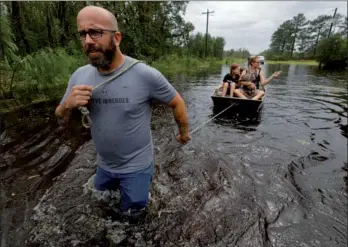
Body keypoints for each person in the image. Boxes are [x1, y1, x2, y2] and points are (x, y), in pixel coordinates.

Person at [55, 5, 191, 222]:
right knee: (97, 205)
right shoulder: (79, 76)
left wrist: (183, 134)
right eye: (83, 34)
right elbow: (60, 117)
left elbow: (177, 102)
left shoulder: (145, 74)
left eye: (96, 32)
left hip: (137, 167)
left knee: (133, 219)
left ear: (116, 37)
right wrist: (67, 106)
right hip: (104, 165)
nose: (88, 40)